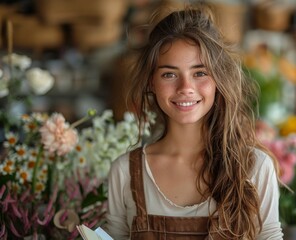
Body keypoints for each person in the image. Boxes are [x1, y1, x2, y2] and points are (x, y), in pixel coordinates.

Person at [105, 4, 283, 239]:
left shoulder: (254, 167)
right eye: (169, 74)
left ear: (218, 78)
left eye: (200, 73)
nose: (186, 88)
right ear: (151, 82)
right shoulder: (125, 172)